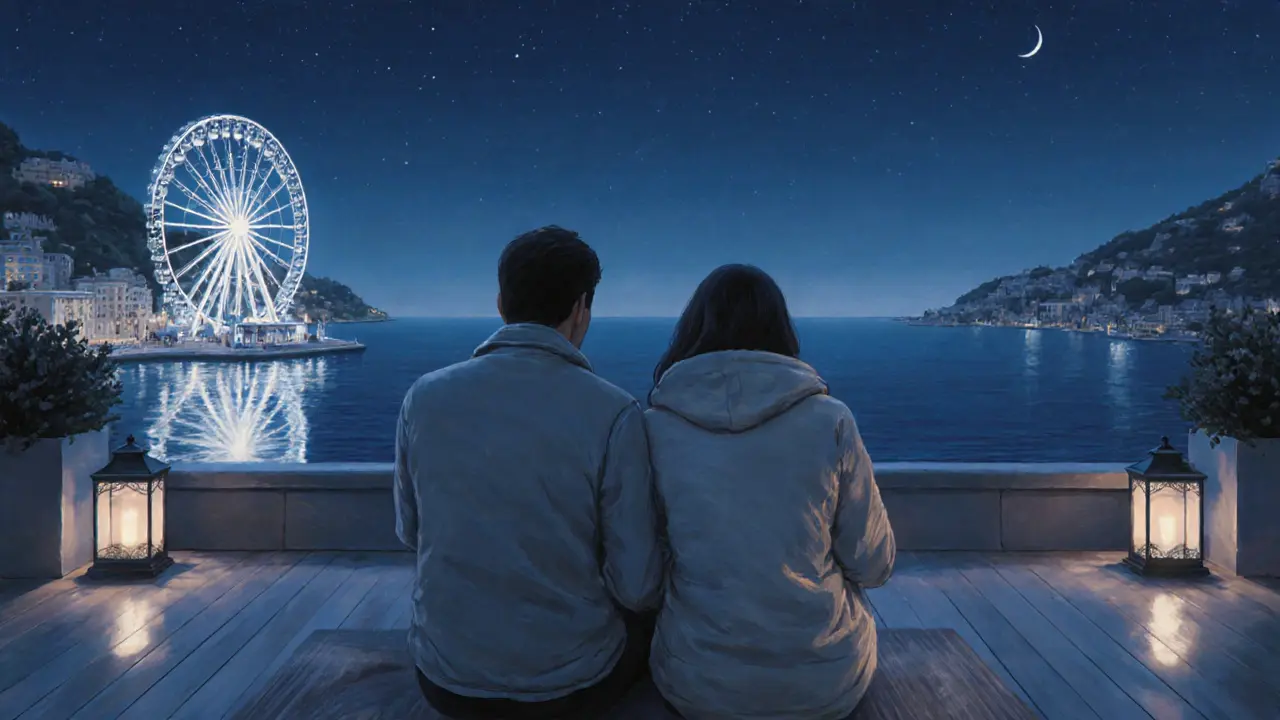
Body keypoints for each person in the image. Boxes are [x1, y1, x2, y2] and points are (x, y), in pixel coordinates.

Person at [393, 225, 665, 720]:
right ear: (582, 308)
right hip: (572, 687)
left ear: (501, 301)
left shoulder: (424, 398)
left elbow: (411, 534)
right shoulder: (613, 413)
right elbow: (638, 586)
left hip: (445, 680)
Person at [644, 264, 896, 720]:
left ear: (693, 329)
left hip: (698, 681)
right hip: (823, 683)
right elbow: (873, 563)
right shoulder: (830, 420)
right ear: (781, 329)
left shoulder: (655, 425)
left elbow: (640, 576)